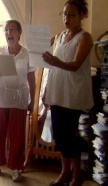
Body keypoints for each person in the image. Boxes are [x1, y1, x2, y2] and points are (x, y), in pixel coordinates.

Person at [41, 0, 93, 186]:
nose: (66, 18)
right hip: (57, 91)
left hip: (72, 94)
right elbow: (50, 66)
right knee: (60, 136)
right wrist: (46, 89)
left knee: (70, 136)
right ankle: (65, 173)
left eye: (71, 14)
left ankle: (76, 175)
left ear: (81, 16)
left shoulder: (84, 37)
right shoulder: (59, 36)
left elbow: (76, 64)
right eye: (64, 14)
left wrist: (56, 62)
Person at [0, 20, 36, 182]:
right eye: (6, 30)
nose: (9, 33)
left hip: (19, 98)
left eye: (12, 29)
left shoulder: (27, 53)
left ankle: (16, 168)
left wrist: (32, 101)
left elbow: (31, 78)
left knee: (17, 135)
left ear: (19, 33)